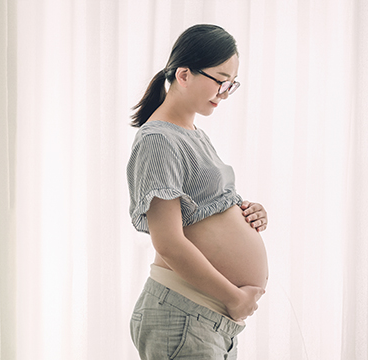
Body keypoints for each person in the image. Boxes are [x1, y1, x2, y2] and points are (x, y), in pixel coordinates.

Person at [126, 24, 269, 359]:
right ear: (184, 74)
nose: (224, 91)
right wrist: (235, 299)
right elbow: (169, 243)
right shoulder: (158, 139)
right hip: (185, 312)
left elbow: (203, 211)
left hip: (205, 316)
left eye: (231, 84)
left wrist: (248, 212)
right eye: (219, 79)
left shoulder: (192, 133)